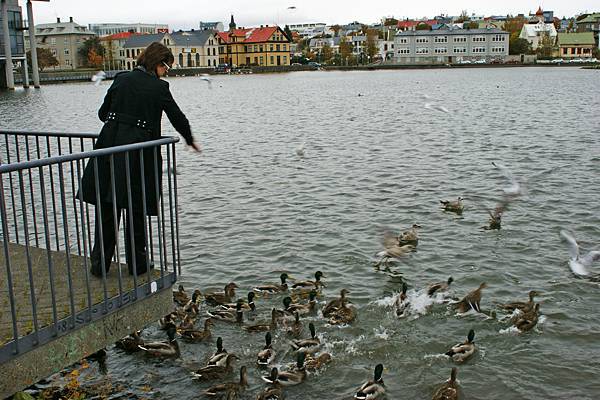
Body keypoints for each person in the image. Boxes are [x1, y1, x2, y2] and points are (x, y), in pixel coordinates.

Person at [79, 42, 200, 277]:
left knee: (107, 207)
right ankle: (138, 265)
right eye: (166, 67)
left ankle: (99, 266)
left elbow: (103, 114)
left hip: (108, 149)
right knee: (135, 207)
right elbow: (177, 117)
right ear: (157, 64)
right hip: (138, 154)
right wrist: (189, 139)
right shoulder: (159, 88)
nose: (167, 72)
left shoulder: (121, 79)